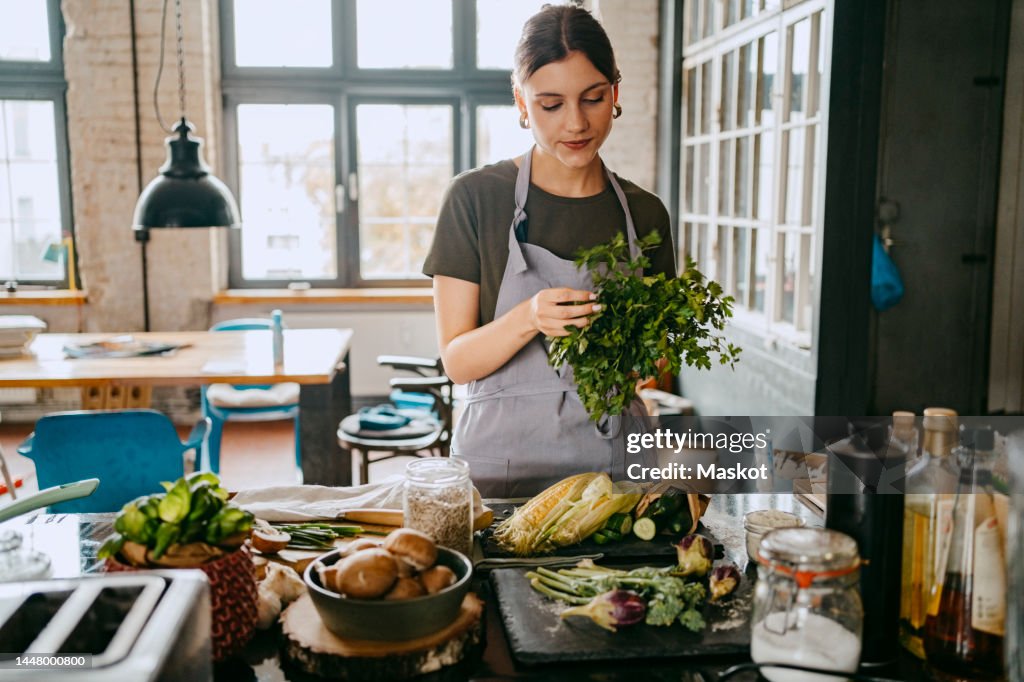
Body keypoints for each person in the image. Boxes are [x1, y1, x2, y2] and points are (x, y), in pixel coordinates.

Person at [422, 5, 675, 497]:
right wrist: (530, 317)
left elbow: (654, 362)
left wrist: (644, 355)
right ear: (521, 103)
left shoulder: (645, 215)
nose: (576, 123)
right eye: (551, 104)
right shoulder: (475, 199)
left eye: (593, 98)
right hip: (500, 474)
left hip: (615, 474)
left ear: (615, 93)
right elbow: (456, 362)